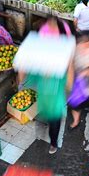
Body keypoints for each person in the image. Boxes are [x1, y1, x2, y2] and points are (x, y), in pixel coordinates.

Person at [19, 17, 74, 154]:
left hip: (55, 91)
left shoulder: (59, 59)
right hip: (45, 89)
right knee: (47, 109)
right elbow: (25, 66)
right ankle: (49, 119)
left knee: (54, 117)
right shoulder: (42, 60)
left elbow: (69, 60)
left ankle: (53, 142)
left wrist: (69, 83)